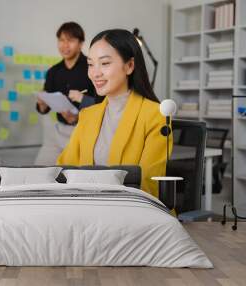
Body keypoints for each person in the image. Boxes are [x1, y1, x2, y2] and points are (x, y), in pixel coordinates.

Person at [57, 29, 172, 198]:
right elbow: (64, 169)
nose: (95, 73)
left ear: (129, 66)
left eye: (104, 63)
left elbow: (148, 183)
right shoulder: (88, 115)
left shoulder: (156, 115)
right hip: (85, 208)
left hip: (132, 210)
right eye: (90, 64)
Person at [35, 22, 99, 165]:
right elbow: (44, 109)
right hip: (58, 131)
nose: (65, 45)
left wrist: (79, 110)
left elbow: (102, 104)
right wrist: (42, 104)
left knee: (75, 176)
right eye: (61, 40)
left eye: (70, 40)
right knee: (40, 168)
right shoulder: (53, 71)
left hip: (85, 131)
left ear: (81, 43)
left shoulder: (92, 68)